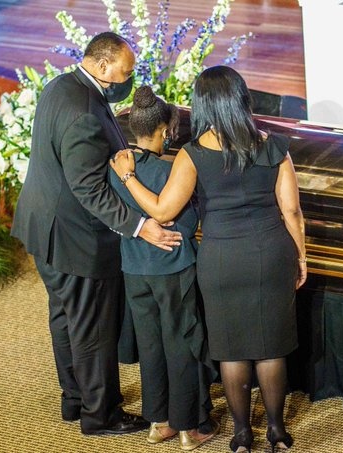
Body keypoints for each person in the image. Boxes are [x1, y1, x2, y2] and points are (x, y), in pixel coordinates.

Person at [110, 65, 307, 452]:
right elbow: (292, 211)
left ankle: (240, 435)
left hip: (221, 260)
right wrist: (301, 255)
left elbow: (163, 211)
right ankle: (277, 432)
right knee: (271, 349)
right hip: (271, 253)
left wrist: (129, 178)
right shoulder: (275, 147)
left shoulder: (193, 154)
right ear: (242, 99)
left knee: (232, 350)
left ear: (201, 105)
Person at [10, 32, 183, 436]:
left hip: (43, 227)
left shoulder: (60, 86)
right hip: (74, 237)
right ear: (102, 65)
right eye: (125, 70)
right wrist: (141, 226)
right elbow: (89, 189)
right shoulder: (85, 111)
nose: (129, 77)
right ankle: (100, 414)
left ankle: (74, 400)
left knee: (65, 317)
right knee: (91, 326)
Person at [108, 86, 219, 450]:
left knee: (151, 344)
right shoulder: (174, 170)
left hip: (133, 268)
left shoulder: (116, 166)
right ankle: (190, 427)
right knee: (182, 342)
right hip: (173, 269)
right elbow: (186, 224)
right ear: (166, 131)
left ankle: (159, 422)